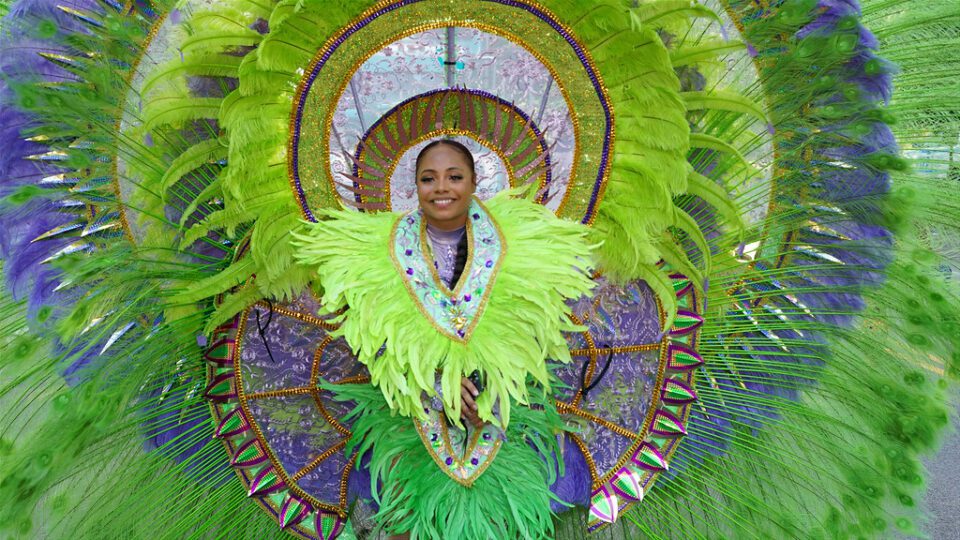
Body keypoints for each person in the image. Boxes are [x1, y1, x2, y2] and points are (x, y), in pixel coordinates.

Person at [293, 137, 596, 538]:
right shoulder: (373, 251)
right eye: (428, 178)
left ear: (473, 183)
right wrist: (434, 388)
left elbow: (535, 334)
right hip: (409, 417)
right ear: (414, 186)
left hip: (506, 419)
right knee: (410, 521)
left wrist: (489, 397)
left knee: (505, 523)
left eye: (454, 177)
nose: (441, 188)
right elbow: (371, 339)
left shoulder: (521, 244)